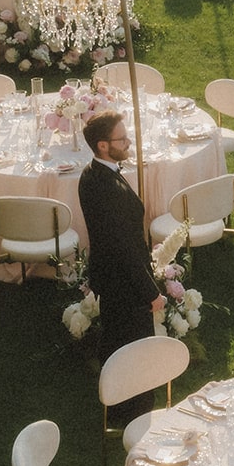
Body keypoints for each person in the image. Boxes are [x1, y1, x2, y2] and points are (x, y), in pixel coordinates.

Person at [79, 111, 163, 422]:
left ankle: (116, 404)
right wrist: (150, 292)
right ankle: (134, 412)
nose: (128, 142)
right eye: (122, 139)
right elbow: (124, 248)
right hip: (124, 282)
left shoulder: (93, 174)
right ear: (103, 145)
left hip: (110, 276)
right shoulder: (107, 188)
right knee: (133, 349)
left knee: (114, 341)